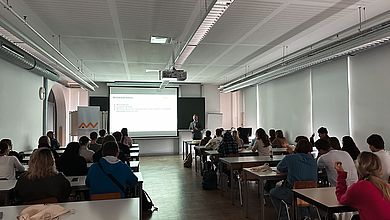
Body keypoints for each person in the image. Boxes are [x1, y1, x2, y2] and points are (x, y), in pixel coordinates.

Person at [270, 139, 318, 220]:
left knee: (273, 192)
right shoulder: (313, 160)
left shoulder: (290, 158)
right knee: (302, 194)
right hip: (312, 194)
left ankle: (284, 217)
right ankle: (306, 215)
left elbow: (279, 169)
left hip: (294, 193)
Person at [335, 152, 390, 220]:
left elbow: (341, 199)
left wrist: (341, 175)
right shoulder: (385, 186)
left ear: (358, 167)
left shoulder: (359, 187)